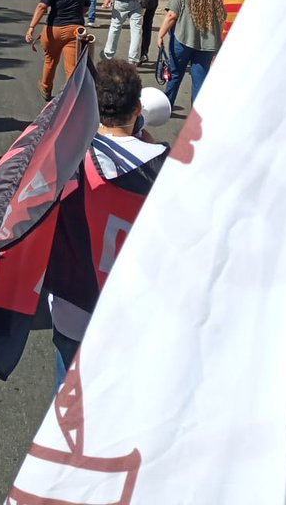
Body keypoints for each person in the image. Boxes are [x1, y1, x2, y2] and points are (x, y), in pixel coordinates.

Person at [50, 59, 169, 384]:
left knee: (70, 401)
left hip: (74, 305)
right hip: (137, 308)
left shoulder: (65, 157)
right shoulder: (166, 167)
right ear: (138, 109)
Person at [25, 0, 91, 100]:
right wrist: (77, 13)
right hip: (74, 30)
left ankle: (46, 88)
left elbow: (42, 6)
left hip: (53, 29)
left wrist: (31, 27)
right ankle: (71, 97)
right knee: (72, 68)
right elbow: (86, 7)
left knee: (50, 60)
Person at [157, 0, 226, 105]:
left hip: (183, 40)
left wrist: (160, 34)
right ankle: (197, 112)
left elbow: (171, 16)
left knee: (175, 74)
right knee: (200, 79)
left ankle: (167, 105)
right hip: (207, 44)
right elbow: (222, 17)